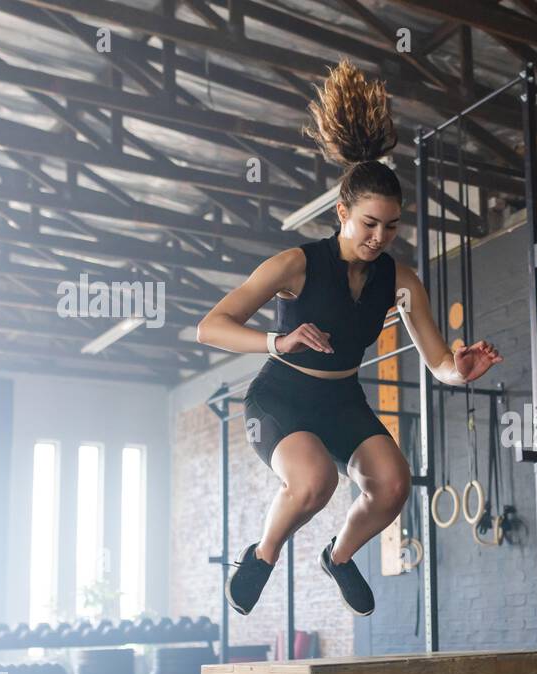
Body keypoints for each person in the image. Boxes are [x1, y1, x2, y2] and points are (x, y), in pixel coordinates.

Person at [197, 60, 501, 619]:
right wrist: (276, 343)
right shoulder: (295, 264)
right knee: (313, 484)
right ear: (342, 213)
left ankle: (337, 558)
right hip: (282, 397)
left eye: (391, 227)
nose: (379, 238)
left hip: (342, 401)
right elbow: (211, 326)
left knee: (392, 485)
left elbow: (437, 360)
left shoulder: (400, 280)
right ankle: (262, 555)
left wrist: (461, 369)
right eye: (368, 224)